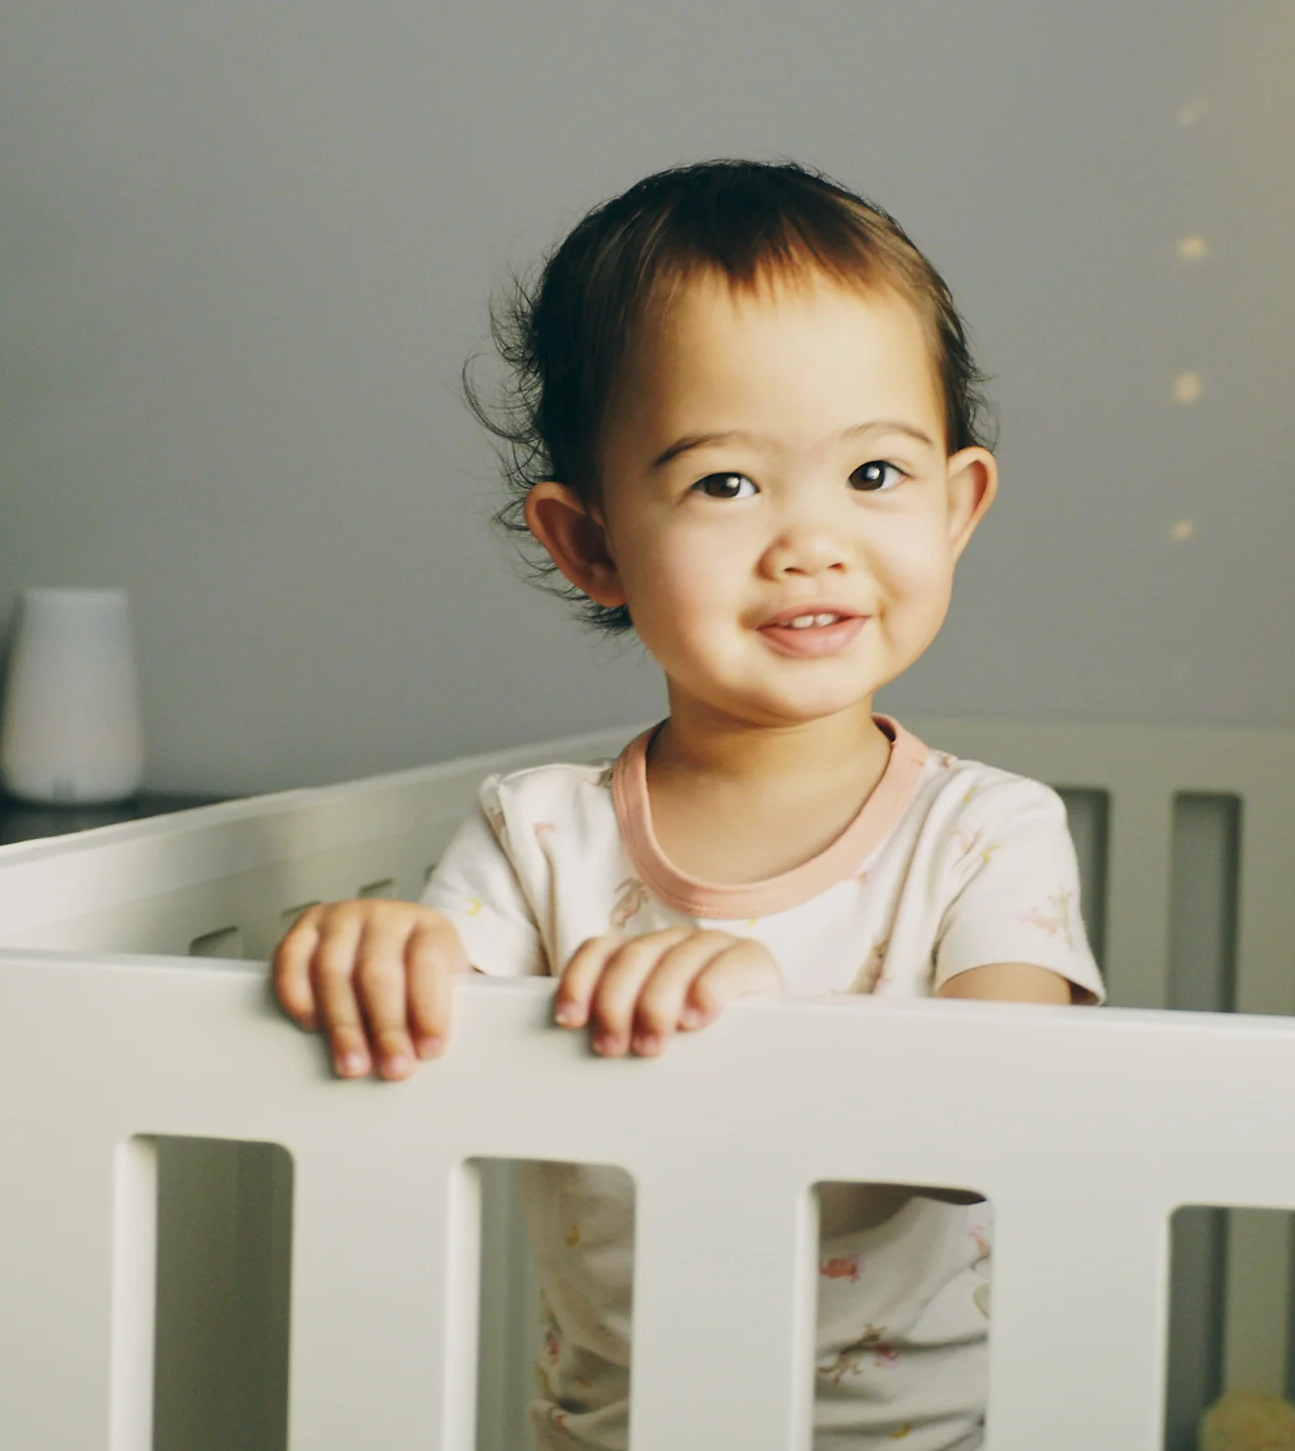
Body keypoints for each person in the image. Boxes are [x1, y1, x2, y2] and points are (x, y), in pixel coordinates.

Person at [271, 159, 1103, 1451]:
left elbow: (997, 1120)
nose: (808, 541)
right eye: (726, 483)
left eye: (874, 476)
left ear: (958, 504)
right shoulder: (540, 832)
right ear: (590, 543)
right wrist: (383, 945)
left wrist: (768, 1026)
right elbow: (428, 1045)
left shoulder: (988, 832)